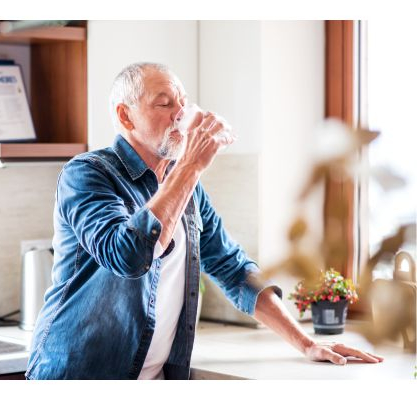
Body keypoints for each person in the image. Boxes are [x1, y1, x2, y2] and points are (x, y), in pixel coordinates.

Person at [25, 62, 383, 380]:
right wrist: (191, 166)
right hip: (77, 375)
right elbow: (128, 256)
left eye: (182, 103)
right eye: (164, 103)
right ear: (125, 117)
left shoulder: (187, 187)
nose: (180, 114)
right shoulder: (87, 174)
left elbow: (233, 269)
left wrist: (306, 343)